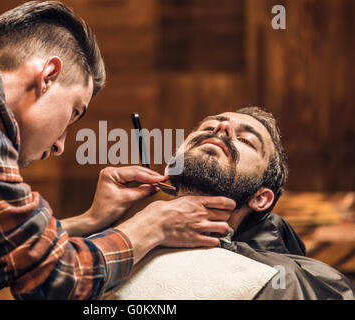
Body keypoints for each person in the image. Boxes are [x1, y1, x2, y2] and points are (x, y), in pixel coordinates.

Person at [0, 1, 235, 299]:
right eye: (75, 112)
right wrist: (153, 225)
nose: (62, 144)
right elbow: (53, 281)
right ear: (48, 75)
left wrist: (91, 220)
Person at [107, 107, 355, 300]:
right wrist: (91, 222)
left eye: (247, 141)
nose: (221, 128)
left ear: (260, 198)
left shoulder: (290, 282)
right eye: (209, 126)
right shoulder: (96, 241)